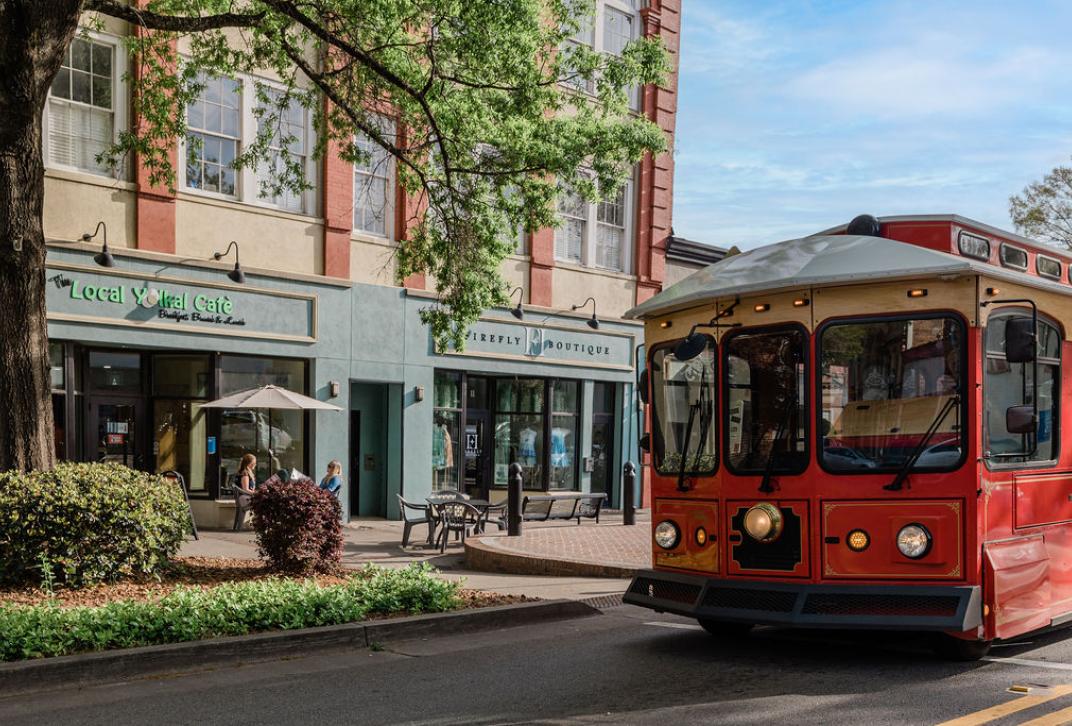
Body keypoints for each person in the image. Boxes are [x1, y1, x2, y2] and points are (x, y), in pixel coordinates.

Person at [232, 453, 257, 532]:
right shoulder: (245, 473)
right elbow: (245, 489)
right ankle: (260, 524)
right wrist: (256, 493)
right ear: (249, 463)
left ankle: (258, 523)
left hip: (244, 497)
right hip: (244, 498)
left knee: (263, 501)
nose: (255, 464)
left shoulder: (244, 472)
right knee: (264, 502)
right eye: (254, 463)